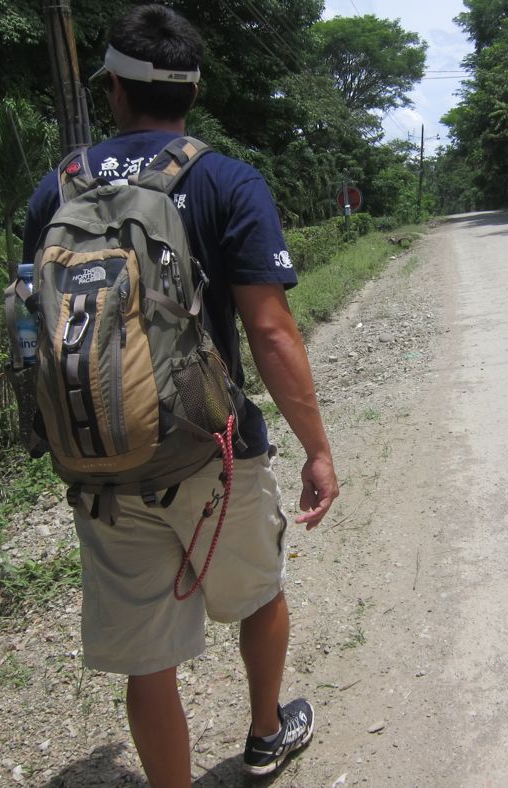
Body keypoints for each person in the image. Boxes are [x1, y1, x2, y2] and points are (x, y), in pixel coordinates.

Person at [21, 5, 339, 785]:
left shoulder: (55, 191)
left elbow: (39, 325)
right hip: (214, 454)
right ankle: (265, 734)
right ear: (193, 93)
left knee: (149, 661)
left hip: (103, 462)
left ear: (114, 90)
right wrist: (318, 449)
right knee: (258, 595)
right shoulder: (226, 180)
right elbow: (271, 332)